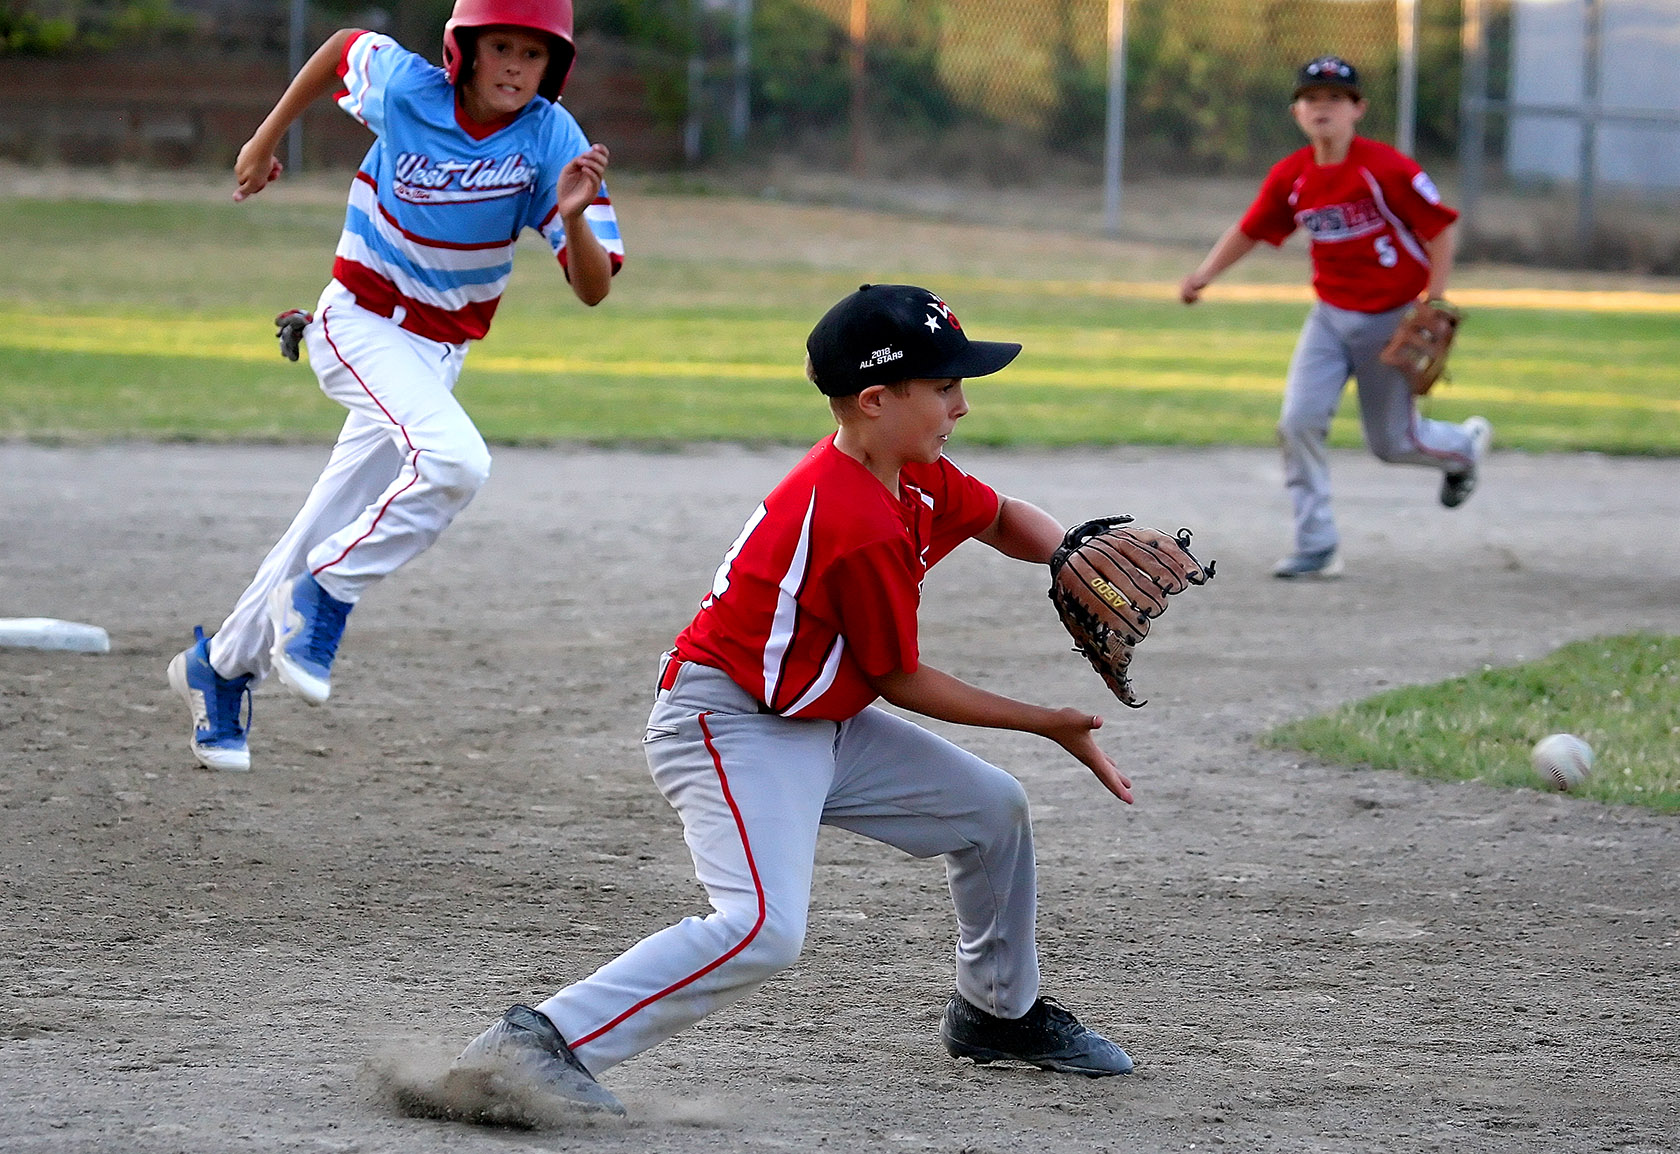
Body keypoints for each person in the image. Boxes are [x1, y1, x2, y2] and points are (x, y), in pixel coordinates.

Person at [443, 285, 1137, 1120]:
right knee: (762, 928)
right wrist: (1046, 721)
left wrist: (1065, 549)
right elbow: (901, 679)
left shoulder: (911, 477)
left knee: (992, 811)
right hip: (729, 725)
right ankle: (536, 1042)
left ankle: (999, 1014)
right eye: (944, 386)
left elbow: (998, 516)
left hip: (818, 721)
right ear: (877, 400)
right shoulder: (851, 516)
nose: (962, 403)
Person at [166, 0, 624, 771]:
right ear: (465, 51)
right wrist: (264, 136)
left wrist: (573, 218)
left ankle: (218, 669)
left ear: (555, 66)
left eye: (533, 54)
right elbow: (342, 47)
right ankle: (325, 592)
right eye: (500, 46)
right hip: (358, 323)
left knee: (331, 514)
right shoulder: (409, 90)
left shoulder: (552, 139)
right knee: (456, 462)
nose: (515, 66)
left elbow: (593, 288)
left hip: (437, 354)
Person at [1178, 55, 1491, 580]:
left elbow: (1440, 229)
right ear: (1297, 111)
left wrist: (1433, 300)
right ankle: (1316, 544)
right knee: (1297, 421)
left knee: (1393, 445)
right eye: (1311, 99)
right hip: (1329, 317)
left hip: (1391, 317)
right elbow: (1252, 229)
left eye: (1335, 99)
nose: (1322, 108)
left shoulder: (1387, 168)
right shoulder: (1293, 175)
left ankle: (1462, 449)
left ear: (1358, 109)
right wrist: (1204, 274)